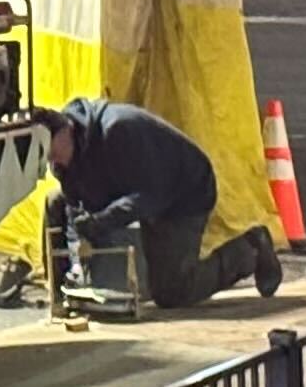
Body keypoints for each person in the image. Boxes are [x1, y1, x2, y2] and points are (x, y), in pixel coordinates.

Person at [44, 94, 283, 310]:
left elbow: (150, 195)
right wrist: (78, 254)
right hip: (134, 189)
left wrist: (101, 221)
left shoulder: (118, 130)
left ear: (67, 130)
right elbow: (74, 203)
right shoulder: (64, 156)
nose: (55, 162)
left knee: (172, 292)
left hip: (182, 193)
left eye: (55, 154)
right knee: (54, 201)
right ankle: (65, 291)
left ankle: (250, 249)